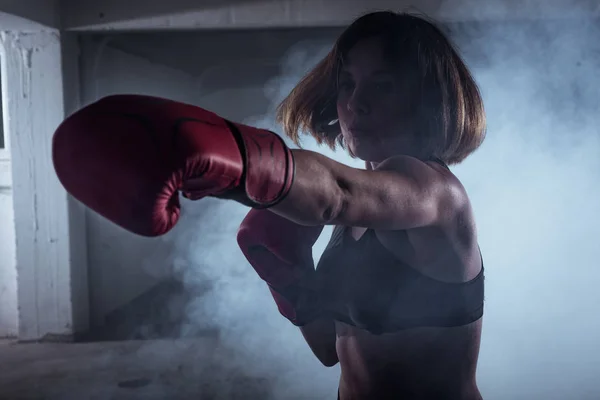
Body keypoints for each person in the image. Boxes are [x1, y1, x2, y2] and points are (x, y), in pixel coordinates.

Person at [51, 10, 485, 400]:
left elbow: (337, 194)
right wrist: (290, 277)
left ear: (427, 99)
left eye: (383, 85)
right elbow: (330, 352)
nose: (356, 102)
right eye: (348, 84)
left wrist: (230, 156)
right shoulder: (357, 219)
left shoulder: (436, 192)